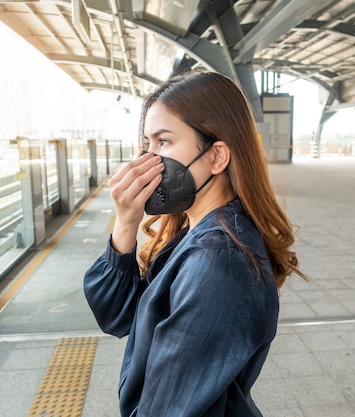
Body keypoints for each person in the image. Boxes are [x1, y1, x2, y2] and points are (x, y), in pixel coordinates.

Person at [83, 70, 307, 417]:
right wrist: (126, 222)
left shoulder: (219, 262)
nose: (148, 160)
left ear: (217, 156)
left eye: (164, 142)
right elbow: (116, 316)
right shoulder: (193, 228)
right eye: (147, 144)